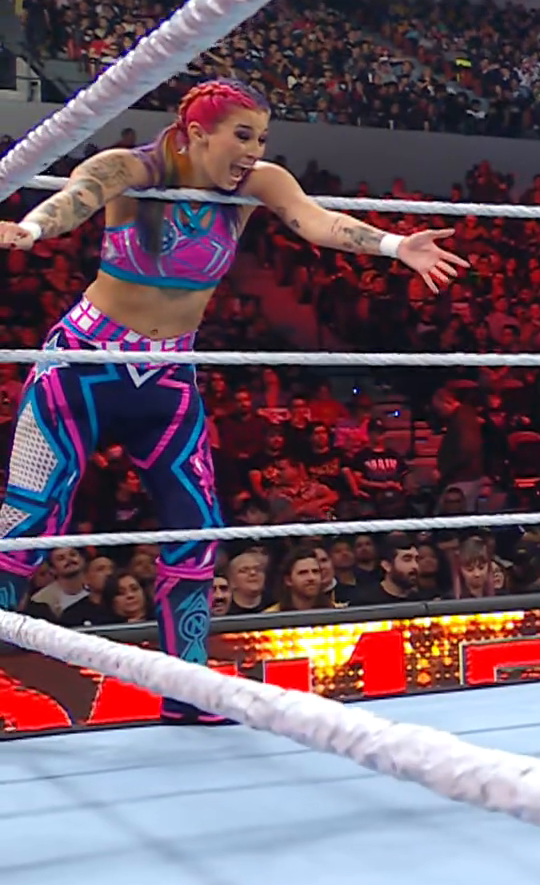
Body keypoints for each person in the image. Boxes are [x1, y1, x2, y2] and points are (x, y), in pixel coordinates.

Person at [0, 78, 467, 724]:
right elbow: (76, 198)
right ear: (197, 133)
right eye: (242, 136)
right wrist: (29, 230)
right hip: (82, 366)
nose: (254, 152)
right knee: (25, 525)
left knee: (197, 531)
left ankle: (187, 695)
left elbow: (316, 221)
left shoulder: (256, 184)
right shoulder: (131, 169)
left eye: (262, 139)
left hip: (168, 376)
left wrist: (394, 246)